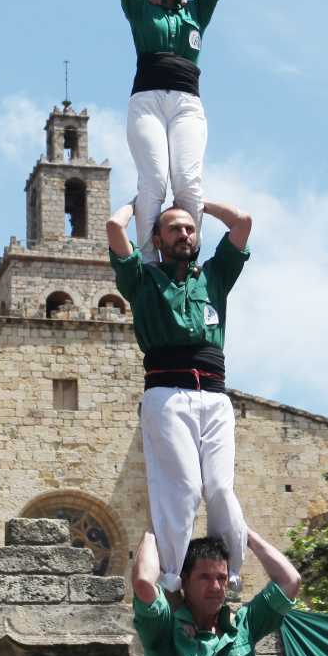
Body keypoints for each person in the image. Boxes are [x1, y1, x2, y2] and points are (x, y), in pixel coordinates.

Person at [109, 198, 251, 591]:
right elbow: (113, 229)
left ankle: (230, 572)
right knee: (184, 488)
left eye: (189, 229)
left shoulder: (214, 277)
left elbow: (242, 222)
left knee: (220, 487)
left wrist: (198, 203)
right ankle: (173, 575)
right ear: (156, 237)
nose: (184, 234)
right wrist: (138, 205)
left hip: (215, 396)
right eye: (174, 228)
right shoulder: (142, 279)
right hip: (167, 394)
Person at [115, 0, 227, 252]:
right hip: (148, 101)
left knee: (188, 182)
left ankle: (188, 255)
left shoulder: (196, 12)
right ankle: (149, 259)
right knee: (154, 181)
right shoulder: (139, 7)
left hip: (186, 104)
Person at [132, 530, 301, 656]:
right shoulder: (164, 628)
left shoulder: (243, 625)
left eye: (221, 578)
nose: (215, 587)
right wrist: (156, 529)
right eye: (204, 577)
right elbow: (143, 583)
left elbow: (290, 581)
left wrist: (243, 532)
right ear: (184, 580)